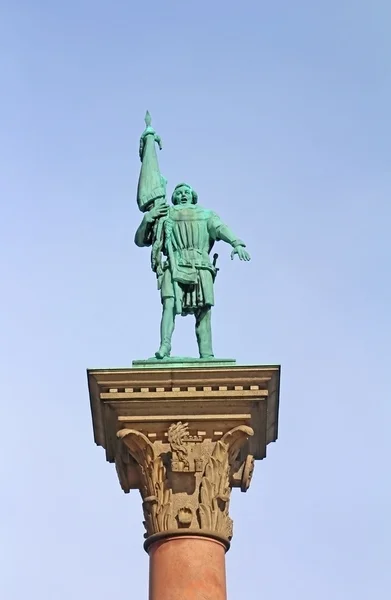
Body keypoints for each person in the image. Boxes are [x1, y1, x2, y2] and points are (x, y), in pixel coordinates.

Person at [135, 182, 250, 359]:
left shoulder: (206, 214)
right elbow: (141, 240)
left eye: (186, 192)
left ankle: (207, 353)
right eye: (179, 192)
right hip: (174, 264)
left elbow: (220, 228)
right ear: (173, 198)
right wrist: (148, 218)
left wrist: (236, 242)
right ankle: (164, 346)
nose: (182, 195)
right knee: (169, 305)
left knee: (204, 311)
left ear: (193, 196)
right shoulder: (165, 214)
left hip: (200, 265)